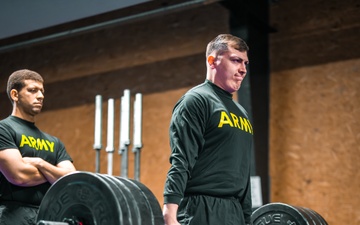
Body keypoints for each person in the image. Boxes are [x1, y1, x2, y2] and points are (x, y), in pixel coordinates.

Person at [163, 34, 253, 225]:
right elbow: (182, 159)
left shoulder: (242, 113)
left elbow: (243, 174)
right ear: (212, 61)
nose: (243, 69)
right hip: (201, 209)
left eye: (245, 63)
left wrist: (247, 219)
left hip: (234, 211)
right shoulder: (196, 101)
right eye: (236, 60)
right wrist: (170, 213)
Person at [0, 69, 76, 225]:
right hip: (12, 216)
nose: (40, 96)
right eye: (32, 90)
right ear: (15, 95)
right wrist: (54, 175)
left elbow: (71, 180)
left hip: (48, 217)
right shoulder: (3, 129)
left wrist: (40, 163)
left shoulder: (54, 142)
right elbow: (18, 176)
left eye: (42, 91)